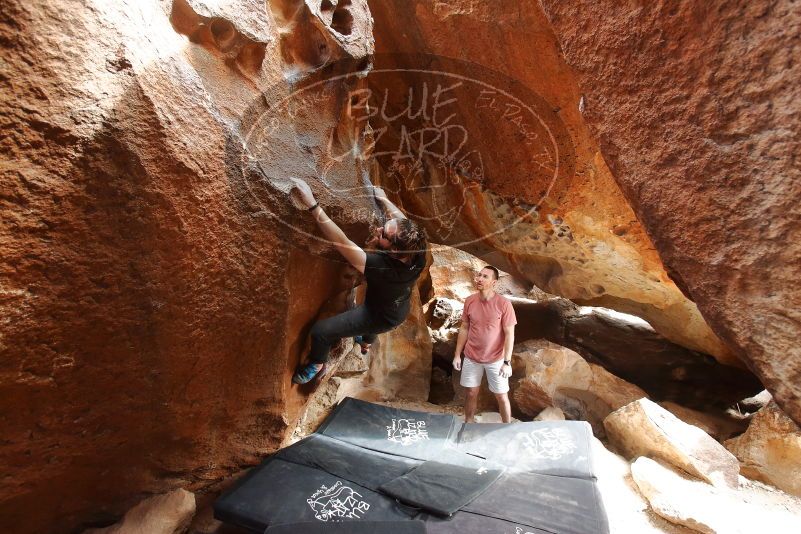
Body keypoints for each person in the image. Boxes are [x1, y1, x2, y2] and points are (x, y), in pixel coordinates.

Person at [289, 177, 428, 384]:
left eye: (384, 234)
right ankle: (366, 344)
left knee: (321, 332)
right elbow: (401, 221)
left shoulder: (380, 266)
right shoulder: (417, 251)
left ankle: (317, 363)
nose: (379, 229)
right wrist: (384, 200)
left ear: (395, 250)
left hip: (379, 315)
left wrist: (313, 204)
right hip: (397, 307)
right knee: (370, 330)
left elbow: (341, 242)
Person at [452, 265, 517, 423]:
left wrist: (507, 362)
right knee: (471, 393)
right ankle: (469, 422)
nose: (480, 279)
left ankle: (507, 428)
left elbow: (509, 334)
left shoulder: (504, 304)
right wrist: (457, 355)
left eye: (485, 277)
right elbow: (465, 328)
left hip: (496, 359)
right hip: (472, 357)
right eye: (479, 275)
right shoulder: (470, 301)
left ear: (494, 282)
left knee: (501, 396)